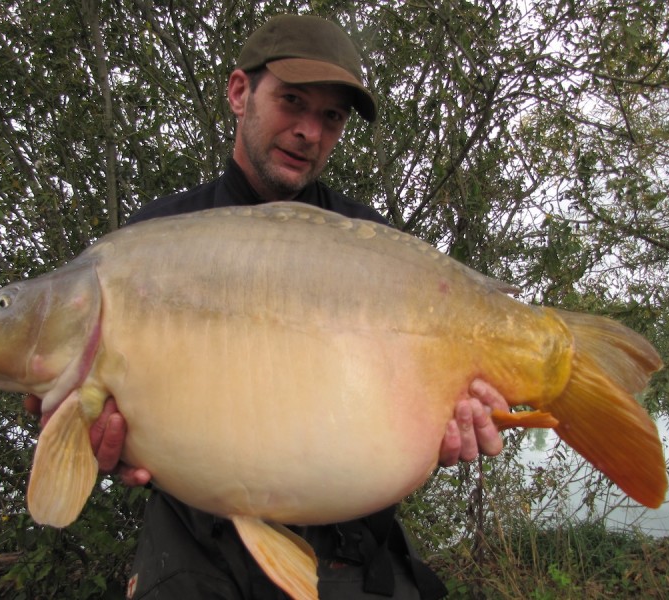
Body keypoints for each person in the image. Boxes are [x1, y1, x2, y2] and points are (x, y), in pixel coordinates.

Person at [27, 14, 509, 600]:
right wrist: (100, 447)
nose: (309, 130)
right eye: (292, 102)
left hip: (350, 548)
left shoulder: (371, 245)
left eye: (330, 117)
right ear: (239, 93)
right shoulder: (150, 243)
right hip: (194, 550)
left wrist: (452, 433)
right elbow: (90, 413)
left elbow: (401, 420)